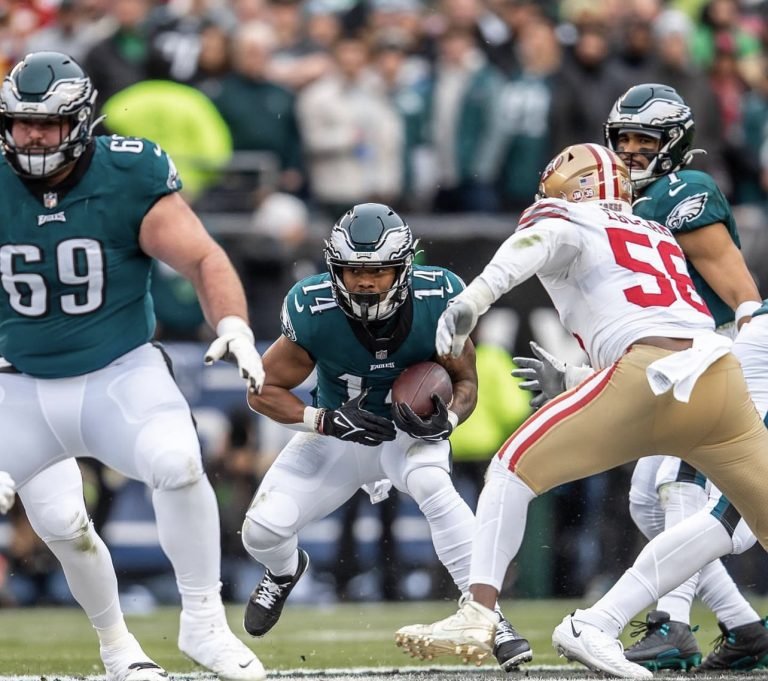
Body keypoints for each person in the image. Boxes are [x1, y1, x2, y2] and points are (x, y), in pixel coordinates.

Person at [393, 143, 768, 680]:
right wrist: (577, 378)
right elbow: (662, 326)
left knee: (512, 467)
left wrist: (475, 298)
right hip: (718, 381)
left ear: (578, 185)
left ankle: (478, 612)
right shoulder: (655, 231)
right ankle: (600, 623)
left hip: (649, 377)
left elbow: (537, 243)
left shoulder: (567, 214)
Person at [0, 51, 266, 681]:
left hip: (118, 374)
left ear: (82, 122)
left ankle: (204, 623)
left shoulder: (126, 172)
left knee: (177, 463)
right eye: (20, 122)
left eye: (48, 123)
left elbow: (202, 258)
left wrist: (232, 325)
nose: (32, 136)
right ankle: (119, 649)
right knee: (64, 524)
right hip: (18, 385)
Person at [241, 202, 532, 673]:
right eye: (354, 271)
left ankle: (489, 617)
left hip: (407, 434)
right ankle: (284, 570)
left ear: (403, 267)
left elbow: (466, 382)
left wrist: (448, 422)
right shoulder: (312, 307)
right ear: (336, 268)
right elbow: (262, 389)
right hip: (340, 434)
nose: (366, 282)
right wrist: (326, 421)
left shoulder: (440, 296)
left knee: (435, 486)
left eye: (378, 270)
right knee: (261, 531)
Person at [602, 82, 768, 671]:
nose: (631, 150)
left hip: (724, 350)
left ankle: (670, 623)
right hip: (678, 361)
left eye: (645, 139)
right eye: (623, 139)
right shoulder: (617, 207)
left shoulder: (682, 191)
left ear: (674, 143)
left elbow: (739, 292)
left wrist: (742, 361)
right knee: (648, 500)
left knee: (682, 486)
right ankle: (746, 628)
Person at [535, 306, 768, 677]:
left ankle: (734, 626)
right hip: (726, 363)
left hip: (723, 360)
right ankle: (619, 622)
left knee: (709, 515)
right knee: (681, 506)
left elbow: (738, 298)